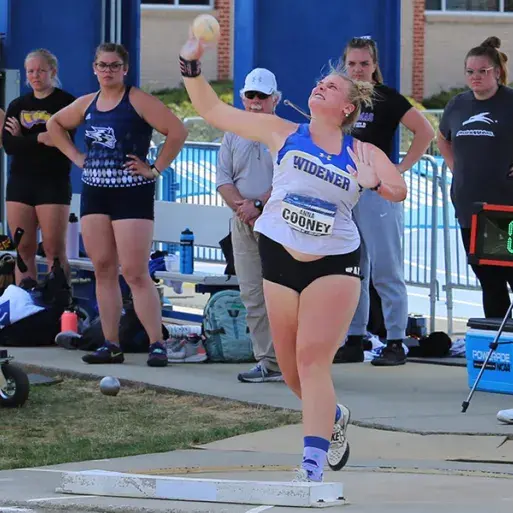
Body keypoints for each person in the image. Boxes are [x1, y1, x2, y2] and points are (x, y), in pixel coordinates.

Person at [179, 32, 406, 482]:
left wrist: (372, 181)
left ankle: (313, 463)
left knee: (311, 361)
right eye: (320, 84)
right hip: (280, 255)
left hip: (335, 262)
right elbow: (212, 111)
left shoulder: (363, 150)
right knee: (290, 371)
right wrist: (191, 65)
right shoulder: (282, 131)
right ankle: (333, 417)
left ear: (346, 108)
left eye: (333, 87)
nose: (321, 86)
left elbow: (398, 189)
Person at [47, 43, 187, 367]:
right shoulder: (88, 103)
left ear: (124, 69)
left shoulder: (136, 100)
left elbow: (177, 131)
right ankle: (111, 343)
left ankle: (156, 343)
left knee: (136, 272)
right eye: (101, 65)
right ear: (94, 68)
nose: (107, 71)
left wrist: (155, 168)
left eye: (113, 65)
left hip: (131, 193)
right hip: (96, 192)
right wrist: (77, 157)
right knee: (103, 269)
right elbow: (54, 125)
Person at [336, 36, 434, 366]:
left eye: (364, 63)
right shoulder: (341, 97)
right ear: (344, 64)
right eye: (352, 64)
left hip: (379, 195)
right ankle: (354, 337)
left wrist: (400, 168)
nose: (358, 69)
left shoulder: (388, 98)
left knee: (386, 270)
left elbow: (425, 132)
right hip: (346, 194)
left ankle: (395, 340)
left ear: (375, 65)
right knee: (353, 271)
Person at [438, 36, 513, 319]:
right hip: (469, 206)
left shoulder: (509, 102)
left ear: (496, 71)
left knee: (509, 274)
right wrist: (455, 167)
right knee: (488, 281)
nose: (476, 77)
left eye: (483, 71)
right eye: (470, 71)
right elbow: (442, 138)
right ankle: (498, 346)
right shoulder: (458, 105)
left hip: (503, 207)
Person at [216, 67, 283, 384]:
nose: (256, 102)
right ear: (244, 98)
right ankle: (267, 361)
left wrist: (258, 204)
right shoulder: (232, 133)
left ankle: (290, 360)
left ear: (275, 99)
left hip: (278, 221)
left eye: (262, 96)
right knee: (253, 294)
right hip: (243, 222)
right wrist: (244, 208)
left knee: (282, 294)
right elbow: (224, 180)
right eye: (251, 95)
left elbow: (287, 179)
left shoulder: (285, 134)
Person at [2, 49, 76, 283]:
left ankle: (62, 306)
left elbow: (62, 141)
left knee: (54, 251)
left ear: (52, 71)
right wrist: (39, 138)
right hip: (20, 184)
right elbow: (9, 145)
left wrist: (23, 138)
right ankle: (26, 305)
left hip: (52, 183)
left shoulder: (66, 103)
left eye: (41, 70)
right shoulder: (18, 104)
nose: (35, 75)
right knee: (23, 250)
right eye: (30, 71)